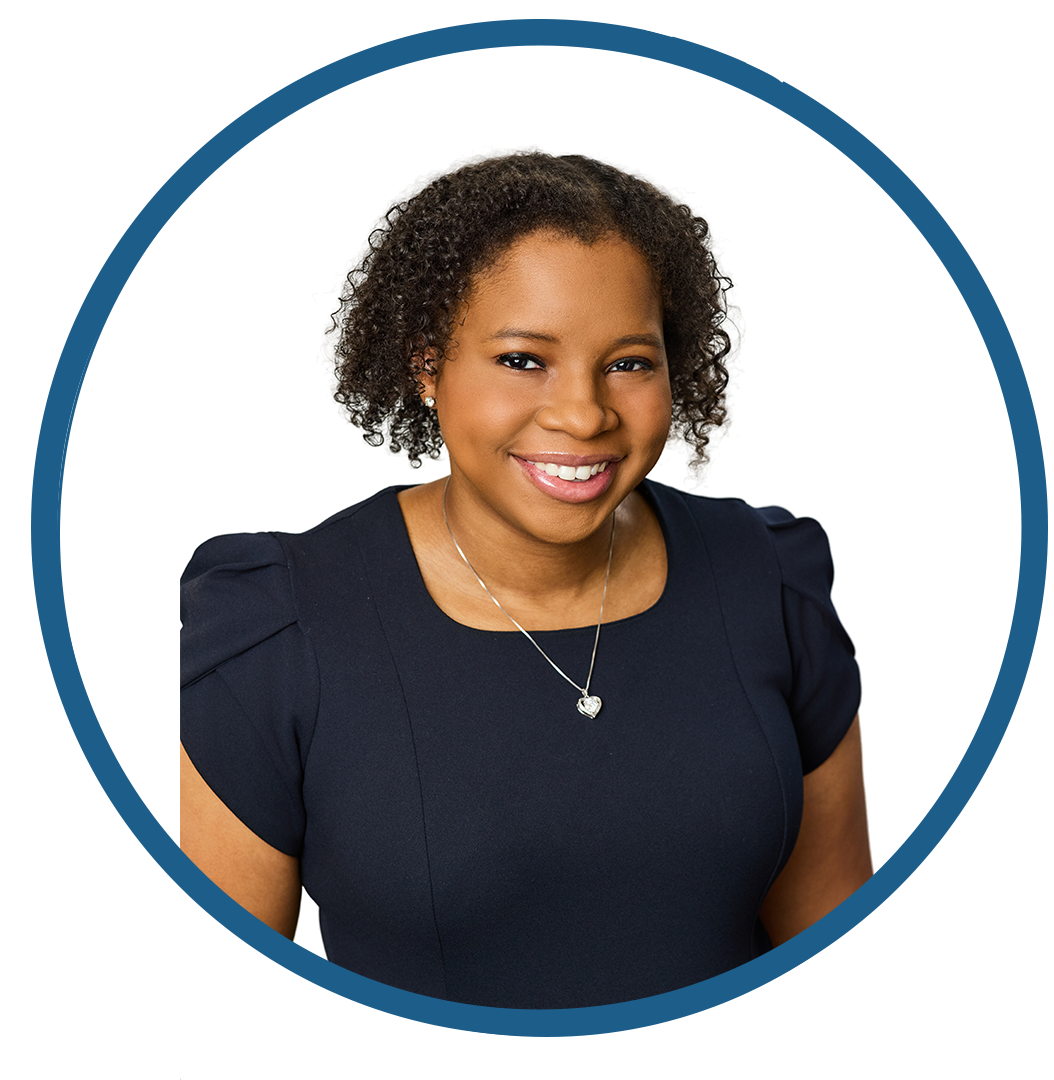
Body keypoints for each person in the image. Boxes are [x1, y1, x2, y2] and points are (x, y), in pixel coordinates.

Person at [180, 152, 871, 1009]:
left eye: (629, 362)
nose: (583, 413)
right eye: (521, 360)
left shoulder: (769, 580)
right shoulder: (281, 627)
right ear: (428, 365)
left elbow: (839, 968)